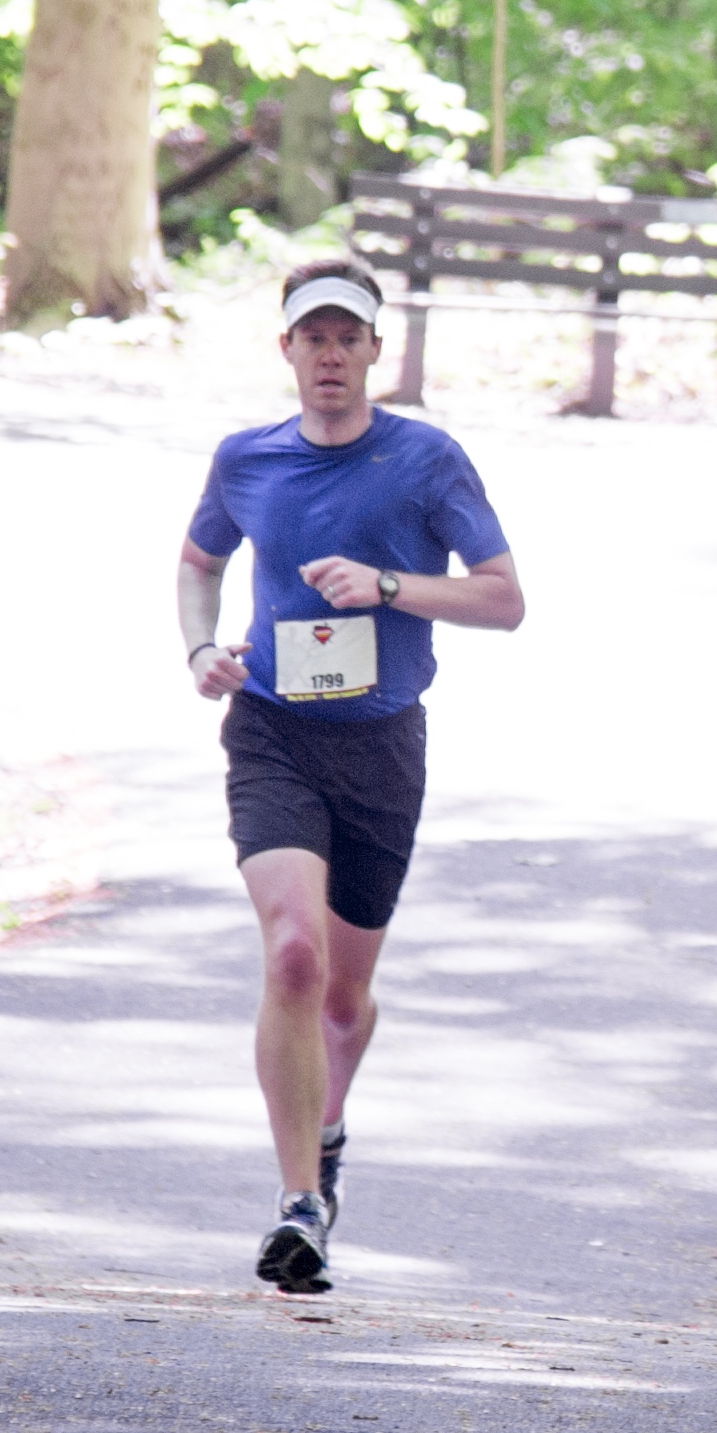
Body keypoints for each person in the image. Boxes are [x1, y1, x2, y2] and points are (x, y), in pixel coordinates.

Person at [178, 258, 525, 1293]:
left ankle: (326, 1128)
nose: (330, 357)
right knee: (293, 953)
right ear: (285, 349)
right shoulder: (247, 459)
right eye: (312, 339)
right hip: (273, 730)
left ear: (377, 350)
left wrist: (390, 586)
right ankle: (299, 1204)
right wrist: (201, 650)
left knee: (343, 995)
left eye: (347, 339)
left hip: (380, 747)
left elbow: (504, 599)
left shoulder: (426, 459)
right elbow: (199, 562)